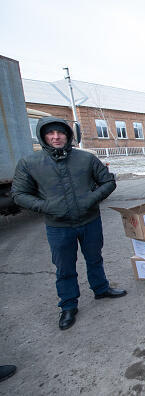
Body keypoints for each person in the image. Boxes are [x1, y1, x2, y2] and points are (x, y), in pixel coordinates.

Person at [11, 117, 126, 331]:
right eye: (50, 133)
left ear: (68, 135)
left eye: (60, 133)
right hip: (58, 226)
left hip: (89, 220)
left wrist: (90, 199)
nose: (56, 137)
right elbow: (19, 194)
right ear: (43, 136)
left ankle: (101, 289)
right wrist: (47, 206)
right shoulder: (30, 163)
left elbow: (108, 182)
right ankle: (68, 305)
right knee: (64, 268)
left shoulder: (86, 159)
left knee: (94, 258)